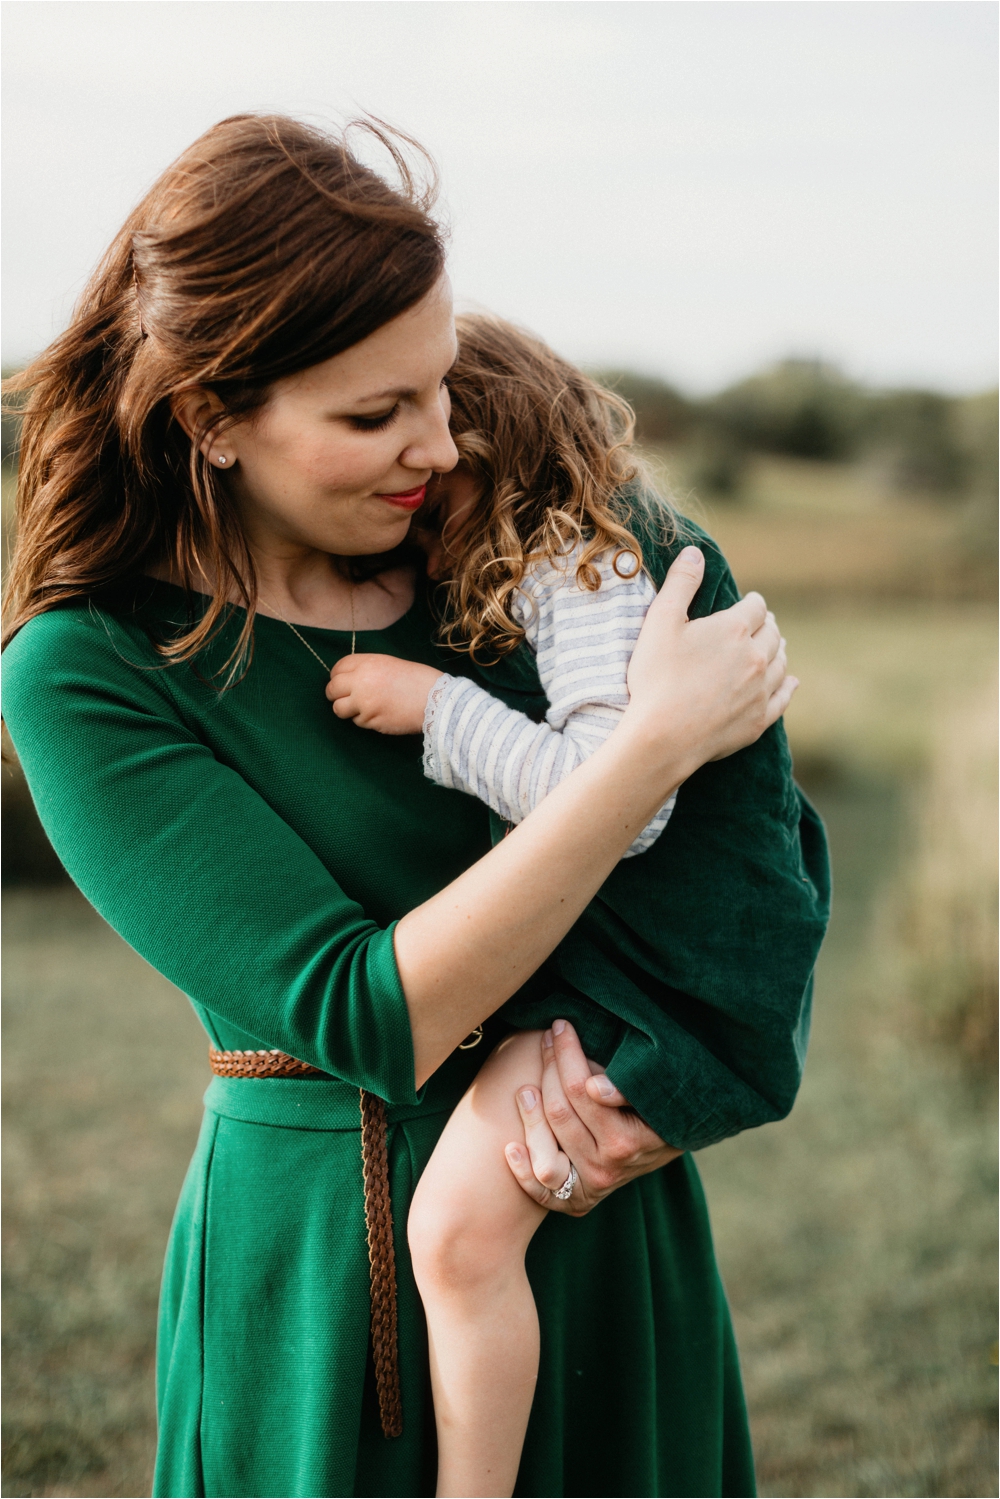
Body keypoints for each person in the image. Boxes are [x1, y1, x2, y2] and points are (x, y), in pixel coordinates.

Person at [3, 114, 803, 1499]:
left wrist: (678, 1088)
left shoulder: (506, 547)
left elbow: (754, 862)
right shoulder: (90, 668)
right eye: (372, 415)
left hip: (596, 1191)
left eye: (440, 387)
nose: (435, 443)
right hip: (333, 1258)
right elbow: (367, 1009)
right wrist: (646, 753)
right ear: (212, 418)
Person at [326, 313, 830, 1496]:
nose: (417, 521)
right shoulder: (563, 557)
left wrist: (435, 707)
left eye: (437, 485)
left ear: (497, 465)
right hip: (648, 970)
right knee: (461, 1241)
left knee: (455, 1238)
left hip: (668, 985)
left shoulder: (590, 570)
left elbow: (622, 799)